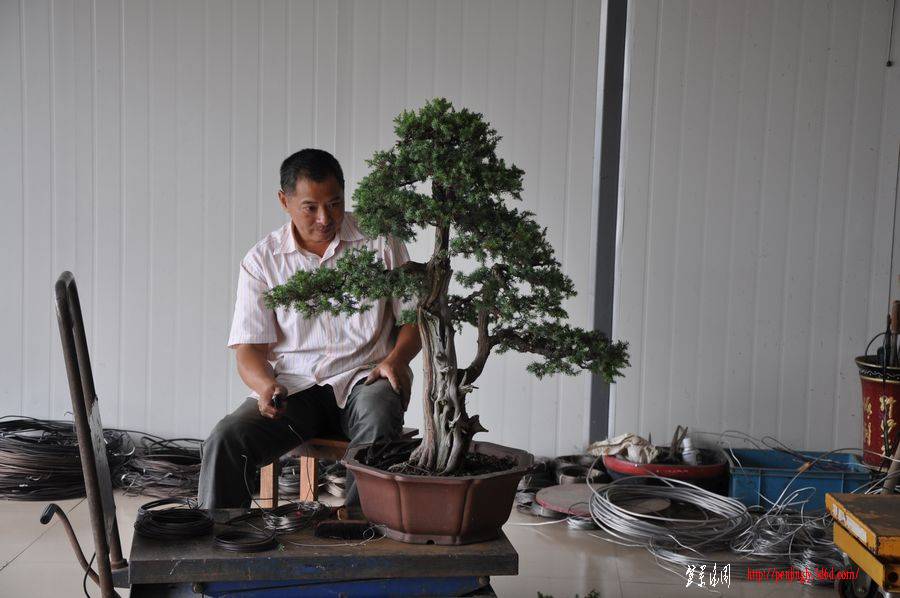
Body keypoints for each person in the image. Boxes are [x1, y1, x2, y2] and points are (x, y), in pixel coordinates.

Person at [198, 148, 421, 509]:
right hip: (295, 388)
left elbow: (414, 320)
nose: (325, 218)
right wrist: (265, 385)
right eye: (310, 207)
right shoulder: (262, 260)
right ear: (284, 201)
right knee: (227, 438)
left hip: (365, 378)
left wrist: (396, 360)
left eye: (334, 204)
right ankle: (220, 535)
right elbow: (248, 349)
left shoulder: (382, 242)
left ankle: (358, 532)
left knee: (379, 418)